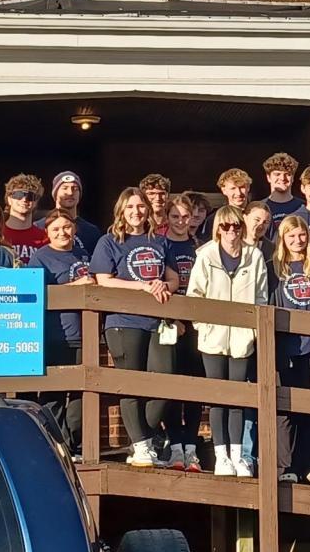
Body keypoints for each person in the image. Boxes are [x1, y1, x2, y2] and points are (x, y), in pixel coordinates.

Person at [90, 187, 181, 468]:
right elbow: (103, 280)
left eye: (140, 206)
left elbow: (174, 279)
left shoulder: (160, 241)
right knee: (130, 384)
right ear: (121, 210)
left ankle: (145, 438)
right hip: (123, 321)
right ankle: (142, 446)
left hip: (157, 322)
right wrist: (141, 286)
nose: (136, 212)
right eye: (130, 207)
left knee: (165, 381)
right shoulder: (109, 241)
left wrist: (163, 286)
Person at [188, 205, 268, 476]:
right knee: (217, 398)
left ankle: (238, 456)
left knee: (238, 399)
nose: (232, 231)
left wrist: (253, 332)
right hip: (213, 338)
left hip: (242, 339)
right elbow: (195, 295)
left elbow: (261, 296)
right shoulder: (206, 255)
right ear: (218, 229)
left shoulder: (254, 256)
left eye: (236, 226)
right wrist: (203, 326)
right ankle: (220, 456)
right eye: (226, 226)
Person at [271, 215, 310, 486]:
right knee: (285, 411)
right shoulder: (275, 269)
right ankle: (286, 466)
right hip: (286, 349)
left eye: (301, 235)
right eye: (291, 236)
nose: (297, 240)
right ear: (283, 239)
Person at [30, 209, 95, 455]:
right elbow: (38, 293)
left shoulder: (84, 254)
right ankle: (55, 446)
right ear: (47, 232)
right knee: (54, 395)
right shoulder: (40, 258)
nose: (62, 233)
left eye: (66, 227)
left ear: (74, 229)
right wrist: (78, 286)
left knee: (80, 395)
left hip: (85, 335)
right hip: (56, 335)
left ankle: (73, 445)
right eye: (56, 229)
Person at [160, 194, 203, 469]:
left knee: (196, 386)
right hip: (170, 323)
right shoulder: (160, 245)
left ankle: (192, 446)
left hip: (197, 323)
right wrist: (172, 318)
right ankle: (175, 445)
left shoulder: (199, 247)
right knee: (172, 385)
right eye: (174, 216)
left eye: (185, 216)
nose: (180, 221)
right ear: (167, 218)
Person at [50, 171, 103, 257]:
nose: (70, 193)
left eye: (75, 188)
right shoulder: (40, 227)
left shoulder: (92, 232)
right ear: (55, 193)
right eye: (65, 188)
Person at [1, 173, 48, 265]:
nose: (24, 199)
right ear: (9, 199)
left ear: (36, 202)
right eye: (19, 194)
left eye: (30, 196)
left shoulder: (46, 239)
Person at [263, 153, 304, 230]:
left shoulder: (303, 207)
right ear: (268, 177)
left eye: (287, 174)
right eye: (277, 174)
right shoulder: (260, 207)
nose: (282, 178)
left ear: (293, 178)